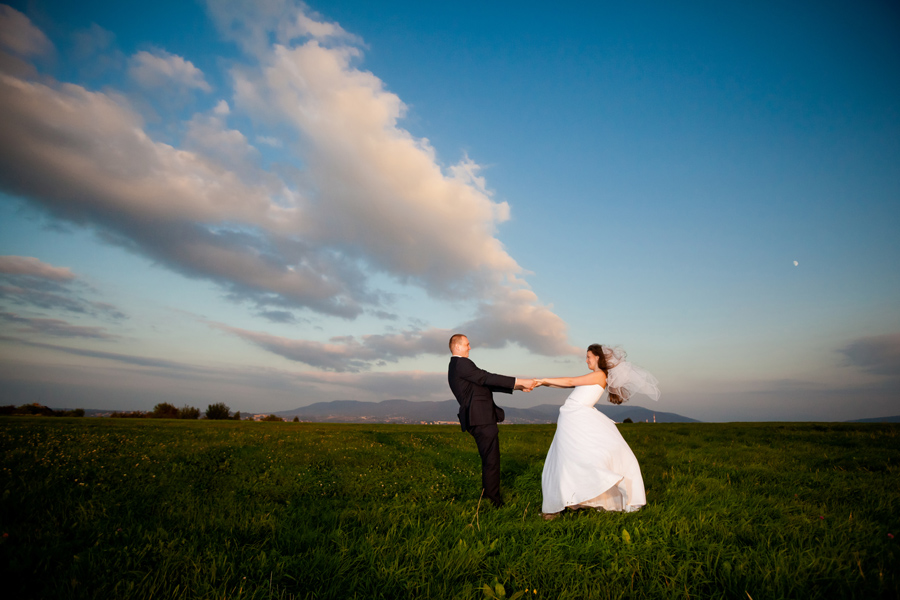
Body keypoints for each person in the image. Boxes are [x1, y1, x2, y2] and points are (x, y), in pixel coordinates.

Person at [531, 344, 660, 520]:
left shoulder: (599, 375)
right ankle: (564, 502)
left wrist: (544, 380)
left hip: (577, 418)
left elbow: (570, 381)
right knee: (565, 459)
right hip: (572, 418)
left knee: (573, 459)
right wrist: (542, 384)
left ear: (598, 357)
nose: (586, 360)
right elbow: (567, 385)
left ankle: (603, 485)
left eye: (588, 356)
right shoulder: (594, 376)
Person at [447, 334, 534, 508]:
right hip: (481, 419)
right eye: (467, 344)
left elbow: (485, 384)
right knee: (492, 461)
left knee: (490, 460)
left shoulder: (458, 367)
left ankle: (490, 498)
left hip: (479, 418)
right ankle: (493, 502)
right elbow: (486, 377)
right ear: (457, 347)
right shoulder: (461, 363)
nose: (470, 347)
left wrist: (518, 386)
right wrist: (521, 380)